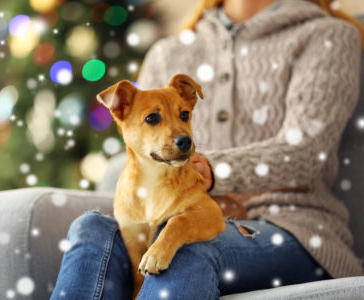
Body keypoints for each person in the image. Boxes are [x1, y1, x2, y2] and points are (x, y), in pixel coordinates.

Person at [51, 0, 364, 298]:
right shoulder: (167, 53)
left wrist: (213, 170)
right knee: (91, 229)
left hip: (297, 229)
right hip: (177, 213)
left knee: (182, 245)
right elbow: (143, 143)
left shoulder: (328, 35)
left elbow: (306, 152)